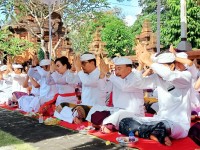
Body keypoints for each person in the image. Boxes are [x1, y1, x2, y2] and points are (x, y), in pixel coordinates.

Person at [107, 46, 192, 146]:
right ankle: (153, 134)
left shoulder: (184, 77)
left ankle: (151, 132)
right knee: (124, 122)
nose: (156, 70)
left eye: (160, 66)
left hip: (177, 124)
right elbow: (139, 84)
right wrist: (141, 66)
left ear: (172, 66)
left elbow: (168, 75)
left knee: (162, 126)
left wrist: (150, 62)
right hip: (158, 119)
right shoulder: (157, 77)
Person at [86, 56, 145, 132]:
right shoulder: (116, 79)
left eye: (119, 69)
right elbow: (104, 89)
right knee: (96, 108)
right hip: (116, 110)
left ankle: (106, 125)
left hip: (133, 114)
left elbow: (124, 86)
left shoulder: (136, 78)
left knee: (119, 114)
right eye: (115, 69)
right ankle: (105, 124)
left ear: (129, 69)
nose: (116, 72)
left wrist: (108, 74)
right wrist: (102, 75)